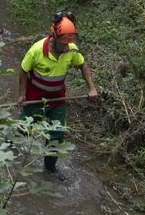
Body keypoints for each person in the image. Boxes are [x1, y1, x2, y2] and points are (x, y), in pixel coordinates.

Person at [16, 12, 98, 181]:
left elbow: (83, 65)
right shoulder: (37, 50)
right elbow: (24, 70)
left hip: (57, 99)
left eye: (69, 42)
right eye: (64, 42)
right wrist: (22, 95)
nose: (67, 46)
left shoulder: (71, 50)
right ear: (54, 35)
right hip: (35, 97)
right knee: (25, 127)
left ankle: (50, 167)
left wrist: (92, 88)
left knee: (57, 133)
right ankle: (10, 145)